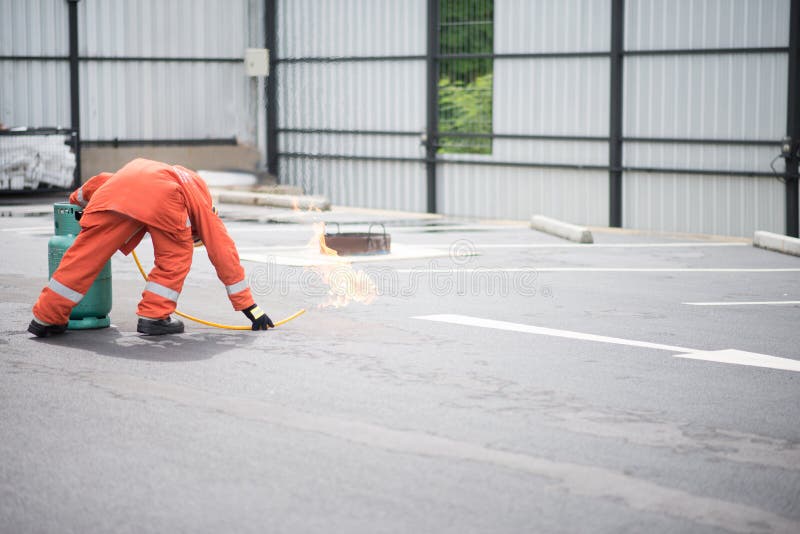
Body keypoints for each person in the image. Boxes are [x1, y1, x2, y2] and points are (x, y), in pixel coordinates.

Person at [28, 158, 273, 337]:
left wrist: (76, 202)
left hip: (113, 194)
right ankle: (154, 316)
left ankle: (45, 318)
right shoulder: (197, 198)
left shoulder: (158, 170)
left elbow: (100, 182)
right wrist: (249, 306)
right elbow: (223, 250)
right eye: (194, 237)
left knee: (82, 258)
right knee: (175, 257)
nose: (192, 238)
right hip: (163, 199)